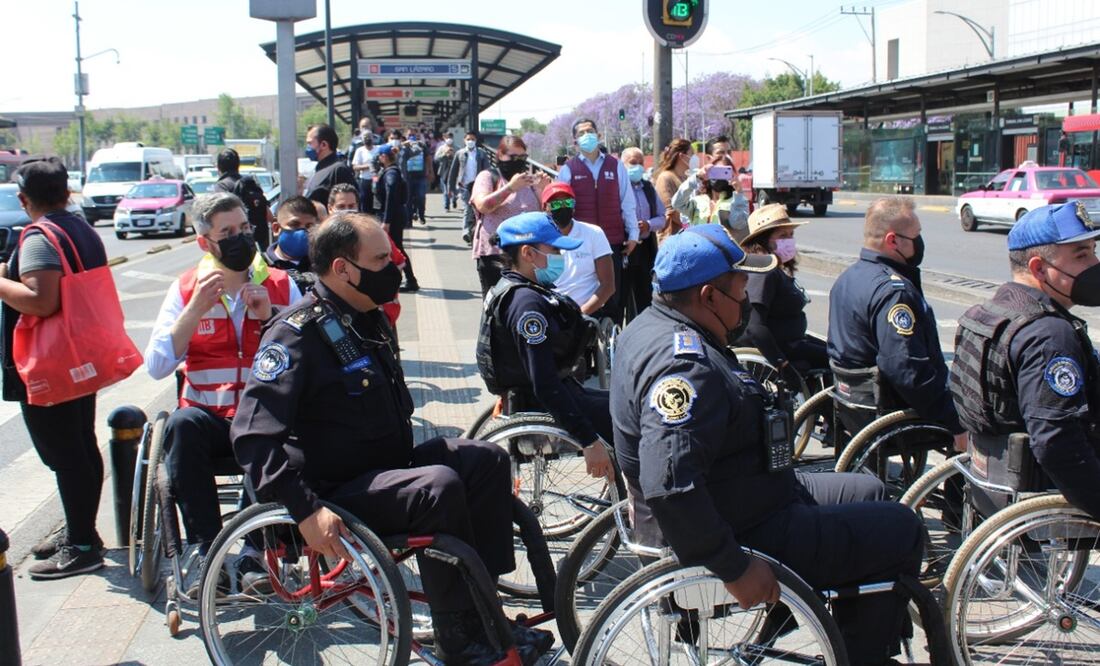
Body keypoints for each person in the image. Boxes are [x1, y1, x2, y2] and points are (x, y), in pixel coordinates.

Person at [231, 213, 553, 664]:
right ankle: (458, 635)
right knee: (438, 486)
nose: (393, 268)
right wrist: (305, 511)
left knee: (486, 460)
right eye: (381, 259)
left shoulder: (367, 318)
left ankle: (485, 609)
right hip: (334, 494)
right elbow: (252, 435)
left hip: (384, 469)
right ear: (343, 269)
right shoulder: (296, 334)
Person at [611, 223, 924, 665]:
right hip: (736, 531)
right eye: (741, 284)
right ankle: (862, 655)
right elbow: (670, 484)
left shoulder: (651, 324)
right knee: (901, 529)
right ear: (709, 296)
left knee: (866, 489)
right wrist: (735, 568)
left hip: (746, 494)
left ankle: (844, 635)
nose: (747, 294)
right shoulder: (685, 369)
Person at [144, 192, 301, 568]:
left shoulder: (280, 284)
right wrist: (195, 309)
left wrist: (269, 318)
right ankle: (205, 550)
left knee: (266, 434)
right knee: (180, 425)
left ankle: (256, 553)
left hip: (262, 417)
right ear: (205, 242)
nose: (240, 237)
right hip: (208, 419)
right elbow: (156, 364)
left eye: (245, 227)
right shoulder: (185, 290)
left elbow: (307, 357)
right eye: (227, 231)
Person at [951, 201, 1100, 520]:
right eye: (1081, 255)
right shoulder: (1049, 335)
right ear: (1038, 268)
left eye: (1093, 250)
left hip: (992, 470)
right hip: (1044, 478)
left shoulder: (986, 313)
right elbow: (1057, 442)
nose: (1095, 263)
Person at [0, 158, 110, 579]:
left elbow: (41, 301)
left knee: (66, 455)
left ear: (24, 199)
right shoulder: (81, 228)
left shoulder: (39, 237)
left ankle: (82, 545)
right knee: (80, 446)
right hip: (79, 356)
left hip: (51, 363)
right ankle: (82, 530)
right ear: (67, 191)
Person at [477, 211, 614, 477]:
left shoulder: (512, 287)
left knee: (625, 400)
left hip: (557, 390)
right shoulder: (527, 305)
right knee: (633, 414)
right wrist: (588, 440)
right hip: (542, 402)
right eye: (555, 250)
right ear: (528, 253)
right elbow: (545, 383)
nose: (562, 258)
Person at [827, 197, 968, 452]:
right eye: (916, 236)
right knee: (975, 424)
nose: (920, 243)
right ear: (893, 241)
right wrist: (955, 422)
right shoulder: (894, 293)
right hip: (890, 412)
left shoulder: (847, 278)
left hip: (854, 404)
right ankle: (956, 491)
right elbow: (906, 370)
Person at [557, 119, 639, 322]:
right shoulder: (568, 169)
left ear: (599, 135)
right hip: (580, 242)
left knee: (613, 295)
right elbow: (560, 204)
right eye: (582, 133)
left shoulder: (616, 165)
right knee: (584, 293)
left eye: (591, 131)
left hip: (612, 241)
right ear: (575, 142)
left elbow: (627, 202)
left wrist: (633, 235)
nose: (587, 135)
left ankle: (614, 343)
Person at [735, 203, 827, 380]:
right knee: (837, 361)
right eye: (782, 236)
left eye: (791, 235)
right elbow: (755, 327)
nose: (789, 240)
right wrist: (781, 363)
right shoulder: (764, 273)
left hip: (793, 341)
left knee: (835, 351)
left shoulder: (775, 269)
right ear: (763, 240)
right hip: (781, 348)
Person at [470, 136, 549, 295]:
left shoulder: (530, 181)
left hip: (527, 256)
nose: (518, 161)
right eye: (513, 157)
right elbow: (483, 206)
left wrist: (543, 190)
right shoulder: (488, 177)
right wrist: (510, 188)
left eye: (522, 157)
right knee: (496, 305)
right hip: (495, 255)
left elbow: (544, 216)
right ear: (500, 155)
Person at [328, 184, 406, 334]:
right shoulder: (323, 240)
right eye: (341, 206)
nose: (347, 210)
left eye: (351, 205)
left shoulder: (373, 234)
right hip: (335, 319)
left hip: (376, 317)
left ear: (358, 205)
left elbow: (399, 262)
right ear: (330, 208)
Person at [539, 183, 614, 316]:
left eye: (567, 202)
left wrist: (580, 315)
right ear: (545, 207)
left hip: (588, 313)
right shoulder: (537, 239)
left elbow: (608, 285)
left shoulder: (593, 233)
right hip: (551, 314)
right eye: (556, 204)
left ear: (574, 206)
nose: (563, 207)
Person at [622, 147, 665, 316]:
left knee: (645, 294)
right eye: (633, 163)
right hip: (625, 247)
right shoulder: (619, 188)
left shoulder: (648, 187)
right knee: (623, 295)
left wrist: (648, 224)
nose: (638, 167)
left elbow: (663, 218)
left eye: (641, 163)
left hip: (645, 249)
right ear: (622, 164)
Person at [671, 154, 750, 237]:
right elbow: (676, 203)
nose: (719, 177)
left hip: (721, 249)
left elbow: (738, 224)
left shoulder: (736, 201)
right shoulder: (698, 201)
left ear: (731, 173)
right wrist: (696, 177)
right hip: (698, 247)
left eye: (723, 172)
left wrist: (739, 193)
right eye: (715, 171)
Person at [375, 143, 419, 293]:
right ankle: (407, 279)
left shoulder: (391, 174)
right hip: (396, 214)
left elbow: (390, 195)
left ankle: (410, 280)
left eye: (379, 155)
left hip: (392, 216)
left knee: (397, 248)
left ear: (384, 157)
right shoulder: (392, 171)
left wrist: (386, 220)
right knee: (396, 247)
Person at [214, 148, 272, 251]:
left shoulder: (221, 186)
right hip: (260, 238)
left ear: (218, 167)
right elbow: (269, 215)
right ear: (238, 165)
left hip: (237, 242)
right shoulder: (250, 183)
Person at [264, 195, 319, 293]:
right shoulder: (262, 266)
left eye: (309, 226)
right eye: (294, 225)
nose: (302, 232)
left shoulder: (322, 265)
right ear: (276, 228)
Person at [447, 131, 492, 244]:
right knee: (468, 208)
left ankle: (475, 233)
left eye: (472, 139)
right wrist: (450, 188)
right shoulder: (460, 153)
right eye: (468, 139)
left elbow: (488, 170)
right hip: (465, 185)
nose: (470, 141)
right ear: (464, 140)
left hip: (479, 186)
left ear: (476, 141)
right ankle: (466, 232)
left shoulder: (481, 153)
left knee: (478, 210)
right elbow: (453, 172)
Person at [303, 124, 356, 208]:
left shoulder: (338, 170)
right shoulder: (319, 169)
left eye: (310, 143)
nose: (308, 147)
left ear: (324, 144)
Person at [652, 138, 693, 241]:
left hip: (688, 236)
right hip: (673, 238)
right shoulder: (665, 177)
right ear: (682, 156)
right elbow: (670, 211)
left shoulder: (687, 178)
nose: (693, 158)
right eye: (691, 154)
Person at [398, 130, 432, 225]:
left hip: (420, 176)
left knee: (421, 197)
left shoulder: (421, 145)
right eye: (409, 135)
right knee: (408, 198)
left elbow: (428, 158)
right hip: (407, 177)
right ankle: (409, 220)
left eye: (413, 134)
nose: (411, 136)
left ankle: (421, 215)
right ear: (406, 136)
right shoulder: (402, 146)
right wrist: (404, 145)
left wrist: (430, 171)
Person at [351, 120, 376, 214]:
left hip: (375, 178)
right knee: (365, 202)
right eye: (365, 137)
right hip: (364, 180)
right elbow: (355, 167)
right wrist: (368, 166)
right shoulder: (360, 151)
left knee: (376, 202)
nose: (367, 138)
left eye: (369, 137)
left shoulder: (378, 149)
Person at [434, 133, 457, 212]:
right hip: (444, 170)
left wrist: (454, 155)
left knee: (454, 188)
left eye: (450, 137)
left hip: (454, 171)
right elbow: (436, 159)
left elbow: (461, 159)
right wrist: (444, 154)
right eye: (447, 137)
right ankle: (446, 206)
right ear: (444, 138)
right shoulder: (441, 148)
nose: (449, 139)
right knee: (445, 189)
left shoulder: (457, 148)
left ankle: (454, 199)